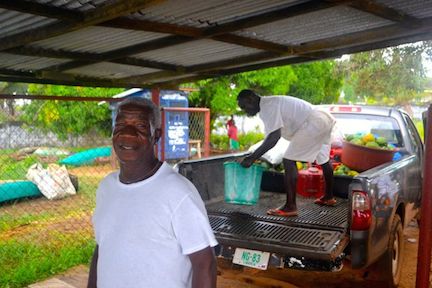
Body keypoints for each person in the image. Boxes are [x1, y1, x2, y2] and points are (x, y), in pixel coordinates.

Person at [88, 97, 218, 288]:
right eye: (121, 125)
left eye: (140, 126)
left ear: (156, 135)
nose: (128, 134)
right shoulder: (106, 188)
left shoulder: (178, 193)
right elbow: (102, 249)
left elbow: (204, 264)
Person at [237, 89, 336, 217]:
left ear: (251, 98)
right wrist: (254, 155)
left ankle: (290, 206)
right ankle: (328, 197)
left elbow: (274, 138)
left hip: (313, 122)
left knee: (288, 160)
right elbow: (271, 136)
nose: (245, 111)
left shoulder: (267, 106)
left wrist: (252, 158)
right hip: (323, 119)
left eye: (244, 106)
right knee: (323, 159)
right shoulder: (269, 104)